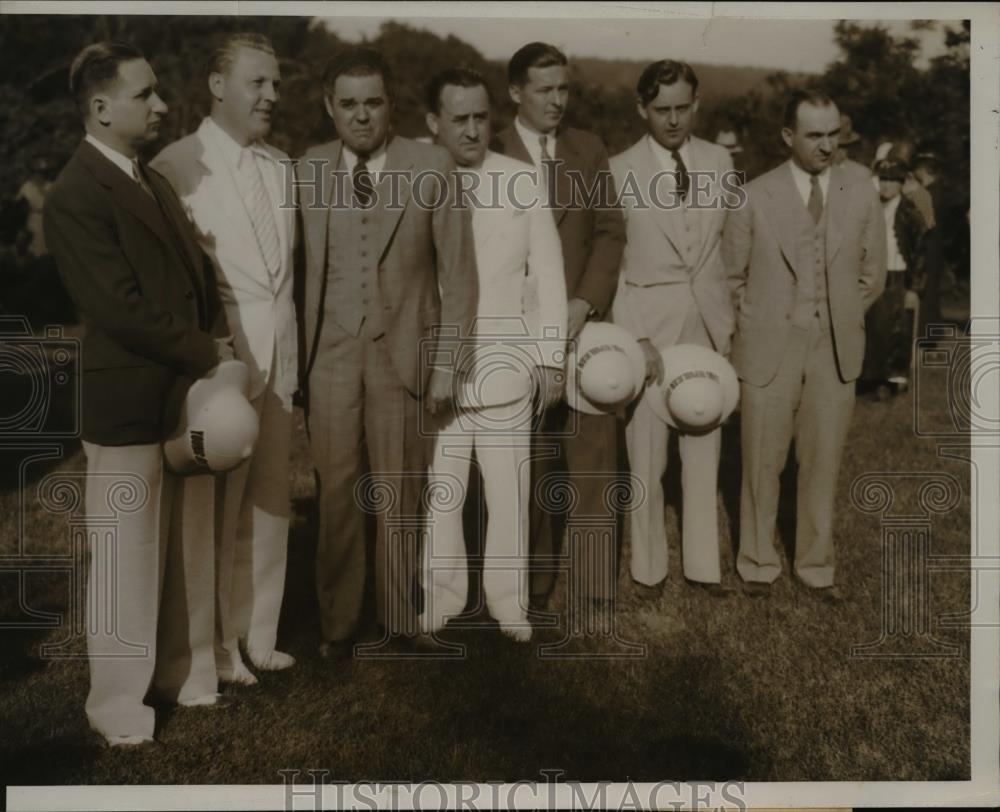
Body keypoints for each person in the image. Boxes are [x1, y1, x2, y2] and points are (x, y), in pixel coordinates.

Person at [43, 42, 232, 747]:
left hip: (180, 392)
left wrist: (208, 344)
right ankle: (118, 703)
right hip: (126, 400)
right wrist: (204, 348)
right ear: (100, 107)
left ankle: (184, 672)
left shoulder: (144, 177)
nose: (160, 106)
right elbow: (117, 307)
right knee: (126, 556)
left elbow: (190, 279)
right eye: (145, 94)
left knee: (183, 543)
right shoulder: (76, 192)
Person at [298, 48, 478, 657]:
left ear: (391, 104)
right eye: (347, 103)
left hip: (403, 352)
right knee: (336, 487)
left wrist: (449, 363)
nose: (361, 115)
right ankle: (337, 625)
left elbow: (461, 277)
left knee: (401, 487)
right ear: (329, 107)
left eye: (373, 102)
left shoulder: (433, 167)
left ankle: (401, 619)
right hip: (329, 353)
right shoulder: (307, 169)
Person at [151, 32, 298, 685]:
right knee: (212, 511)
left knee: (269, 502)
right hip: (218, 366)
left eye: (276, 83)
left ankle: (255, 636)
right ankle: (208, 646)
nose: (272, 95)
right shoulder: (176, 166)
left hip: (280, 361)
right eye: (257, 83)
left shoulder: (281, 167)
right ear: (217, 86)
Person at [722, 90, 886, 603]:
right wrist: (766, 318)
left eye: (833, 133)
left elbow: (872, 275)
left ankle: (816, 567)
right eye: (814, 135)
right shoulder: (753, 195)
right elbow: (731, 276)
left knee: (822, 463)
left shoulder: (860, 189)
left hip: (834, 347)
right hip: (768, 347)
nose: (826, 145)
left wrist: (834, 314)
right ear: (788, 137)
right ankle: (756, 563)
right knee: (761, 462)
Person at [420, 67, 567, 640]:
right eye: (459, 118)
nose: (473, 129)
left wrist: (550, 356)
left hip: (508, 362)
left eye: (482, 117)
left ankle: (509, 602)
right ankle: (441, 597)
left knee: (509, 487)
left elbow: (549, 274)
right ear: (434, 123)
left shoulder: (521, 180)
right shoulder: (420, 180)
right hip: (438, 365)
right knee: (443, 489)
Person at [493, 42, 625, 617]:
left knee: (594, 455)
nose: (556, 101)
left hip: (584, 326)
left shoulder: (588, 149)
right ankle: (534, 584)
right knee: (533, 456)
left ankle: (597, 582)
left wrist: (584, 302)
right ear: (516, 92)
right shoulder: (489, 150)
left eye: (564, 89)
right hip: (515, 332)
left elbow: (608, 233)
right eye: (544, 90)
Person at [610, 60, 736, 599]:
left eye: (683, 107)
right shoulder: (617, 170)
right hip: (647, 328)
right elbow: (611, 263)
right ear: (642, 109)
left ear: (697, 104)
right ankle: (649, 569)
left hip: (707, 324)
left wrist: (727, 319)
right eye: (661, 109)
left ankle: (705, 568)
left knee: (704, 444)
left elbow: (728, 248)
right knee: (646, 458)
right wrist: (632, 337)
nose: (673, 119)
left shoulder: (719, 160)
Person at [860, 158, 926, 398]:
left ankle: (892, 378)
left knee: (896, 328)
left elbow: (920, 252)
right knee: (873, 326)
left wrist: (914, 287)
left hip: (898, 275)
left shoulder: (910, 213)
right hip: (875, 273)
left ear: (901, 183)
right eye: (883, 180)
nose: (886, 186)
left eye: (891, 181)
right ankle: (870, 376)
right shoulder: (873, 206)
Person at [912, 151, 946, 334]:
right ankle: (931, 329)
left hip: (929, 245)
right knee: (931, 287)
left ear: (923, 170)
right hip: (936, 245)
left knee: (927, 287)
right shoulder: (938, 190)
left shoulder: (930, 193)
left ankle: (926, 330)